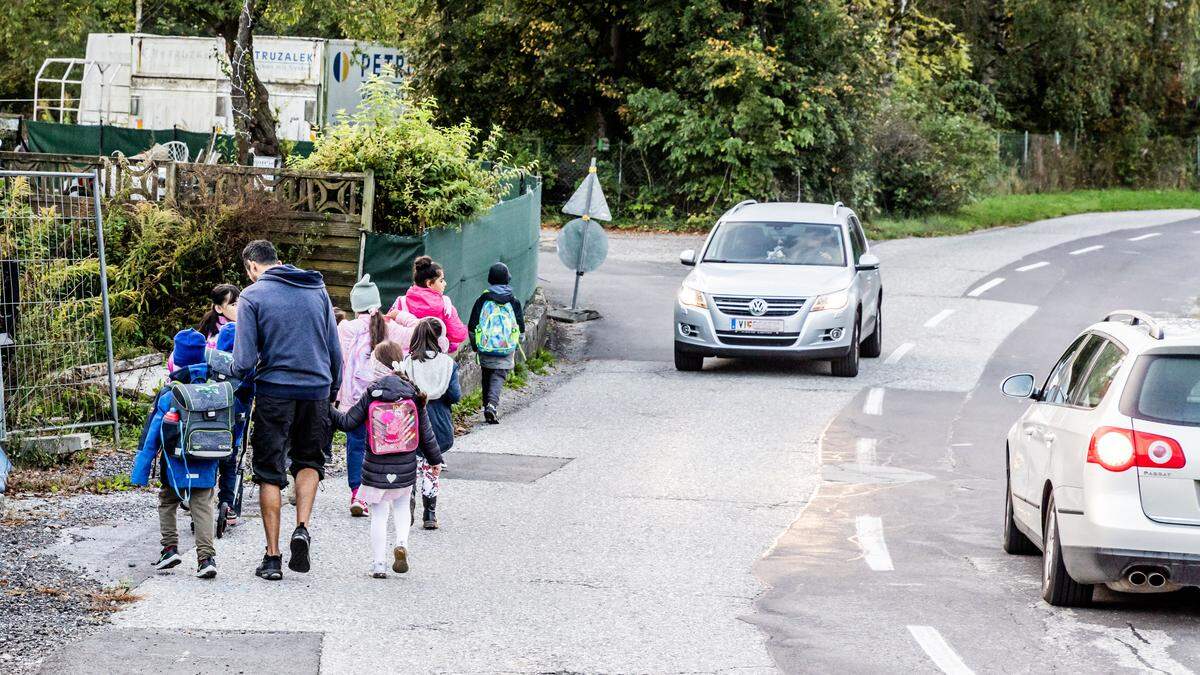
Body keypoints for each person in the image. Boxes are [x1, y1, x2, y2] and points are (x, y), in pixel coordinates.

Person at [233, 240, 342, 581]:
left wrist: (237, 375)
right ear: (279, 261)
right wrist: (331, 390)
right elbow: (334, 350)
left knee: (269, 470)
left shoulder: (252, 296)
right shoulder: (317, 289)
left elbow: (244, 361)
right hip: (316, 390)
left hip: (275, 392)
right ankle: (302, 528)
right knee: (309, 460)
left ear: (252, 266)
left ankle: (272, 556)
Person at [330, 340, 443, 578]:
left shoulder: (372, 393)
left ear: (377, 365)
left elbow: (348, 423)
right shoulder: (412, 392)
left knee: (379, 515)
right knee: (402, 508)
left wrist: (325, 406)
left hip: (375, 466)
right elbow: (426, 434)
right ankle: (401, 543)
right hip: (405, 465)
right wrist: (435, 460)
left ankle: (379, 564)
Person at [131, 329, 222, 579]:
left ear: (176, 360)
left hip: (174, 464)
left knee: (167, 501)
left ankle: (170, 548)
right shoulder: (216, 391)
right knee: (202, 505)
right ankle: (206, 559)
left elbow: (151, 437)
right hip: (206, 461)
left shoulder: (170, 393)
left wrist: (139, 473)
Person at [338, 274, 421, 518]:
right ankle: (384, 491)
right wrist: (399, 315)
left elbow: (338, 360)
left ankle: (357, 494)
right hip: (385, 403)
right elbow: (419, 329)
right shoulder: (391, 328)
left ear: (355, 306)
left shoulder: (347, 328)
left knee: (355, 446)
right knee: (382, 448)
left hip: (354, 400)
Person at [401, 318, 461, 529]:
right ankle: (430, 514)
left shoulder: (408, 362)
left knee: (412, 464)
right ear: (440, 339)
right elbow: (455, 395)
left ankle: (408, 503)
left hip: (412, 421)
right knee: (431, 467)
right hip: (439, 422)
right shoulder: (448, 364)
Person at [467, 262, 526, 424]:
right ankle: (491, 405)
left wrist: (475, 346)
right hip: (506, 346)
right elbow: (520, 326)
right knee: (499, 375)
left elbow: (472, 325)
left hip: (485, 345)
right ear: (507, 279)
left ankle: (487, 405)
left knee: (487, 374)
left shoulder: (482, 299)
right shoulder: (513, 300)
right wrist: (518, 341)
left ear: (490, 279)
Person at [213, 322, 255, 534]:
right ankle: (227, 504)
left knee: (210, 464)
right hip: (234, 430)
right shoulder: (246, 367)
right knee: (230, 465)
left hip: (210, 431)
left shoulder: (210, 362)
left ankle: (199, 505)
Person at [389, 256, 468, 353]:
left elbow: (388, 327)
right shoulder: (446, 306)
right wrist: (448, 345)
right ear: (429, 283)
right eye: (441, 280)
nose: (445, 284)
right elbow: (459, 335)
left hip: (406, 359)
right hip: (435, 358)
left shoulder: (401, 302)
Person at [166, 283, 239, 372]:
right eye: (234, 305)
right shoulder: (224, 333)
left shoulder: (213, 326)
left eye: (241, 303)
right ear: (219, 309)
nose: (240, 308)